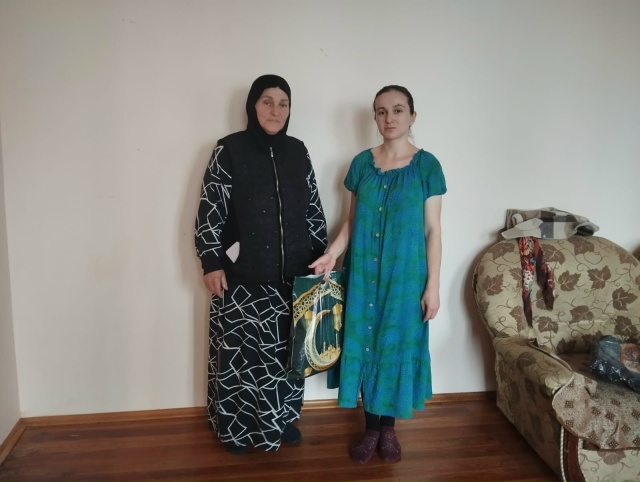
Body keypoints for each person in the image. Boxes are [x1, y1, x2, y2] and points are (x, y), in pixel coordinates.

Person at [310, 85, 446, 464]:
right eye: (381, 111)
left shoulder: (427, 166)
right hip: (362, 274)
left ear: (412, 116)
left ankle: (389, 429)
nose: (389, 118)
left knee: (394, 344)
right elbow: (352, 220)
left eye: (398, 110)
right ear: (375, 117)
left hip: (405, 279)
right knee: (365, 343)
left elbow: (433, 231)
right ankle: (371, 429)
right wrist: (332, 254)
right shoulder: (361, 165)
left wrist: (433, 286)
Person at [195, 74, 328, 454]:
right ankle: (235, 429)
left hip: (293, 278)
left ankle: (281, 420)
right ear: (252, 106)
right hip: (243, 278)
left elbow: (313, 209)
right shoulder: (229, 150)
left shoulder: (298, 151)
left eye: (283, 103)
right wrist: (211, 261)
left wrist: (320, 259)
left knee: (287, 357)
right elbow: (211, 210)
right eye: (267, 101)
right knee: (242, 359)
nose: (275, 110)